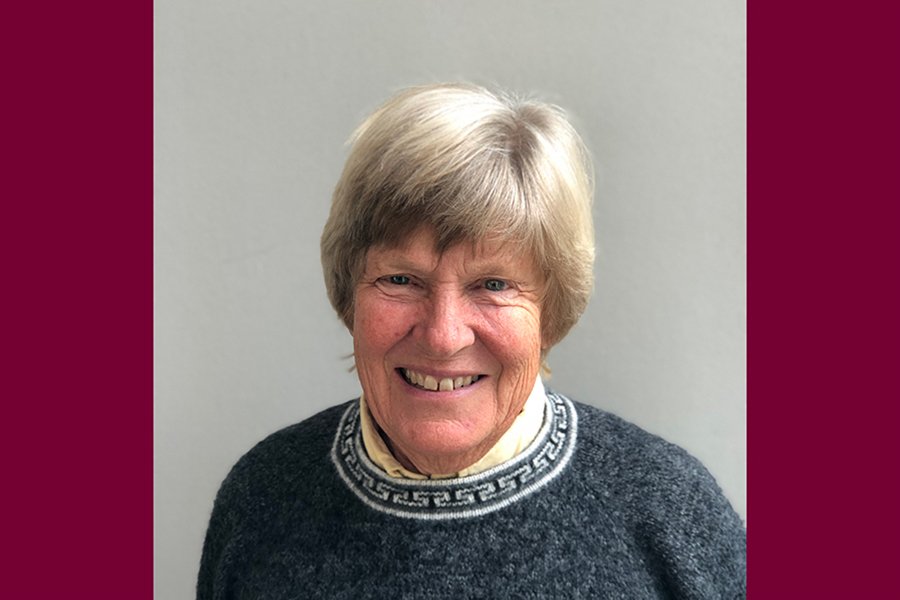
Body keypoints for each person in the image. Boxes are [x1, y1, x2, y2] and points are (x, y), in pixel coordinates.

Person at [197, 82, 746, 599]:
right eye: (401, 280)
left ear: (550, 310)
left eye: (493, 284)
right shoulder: (262, 498)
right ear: (349, 294)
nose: (442, 336)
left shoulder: (670, 511)